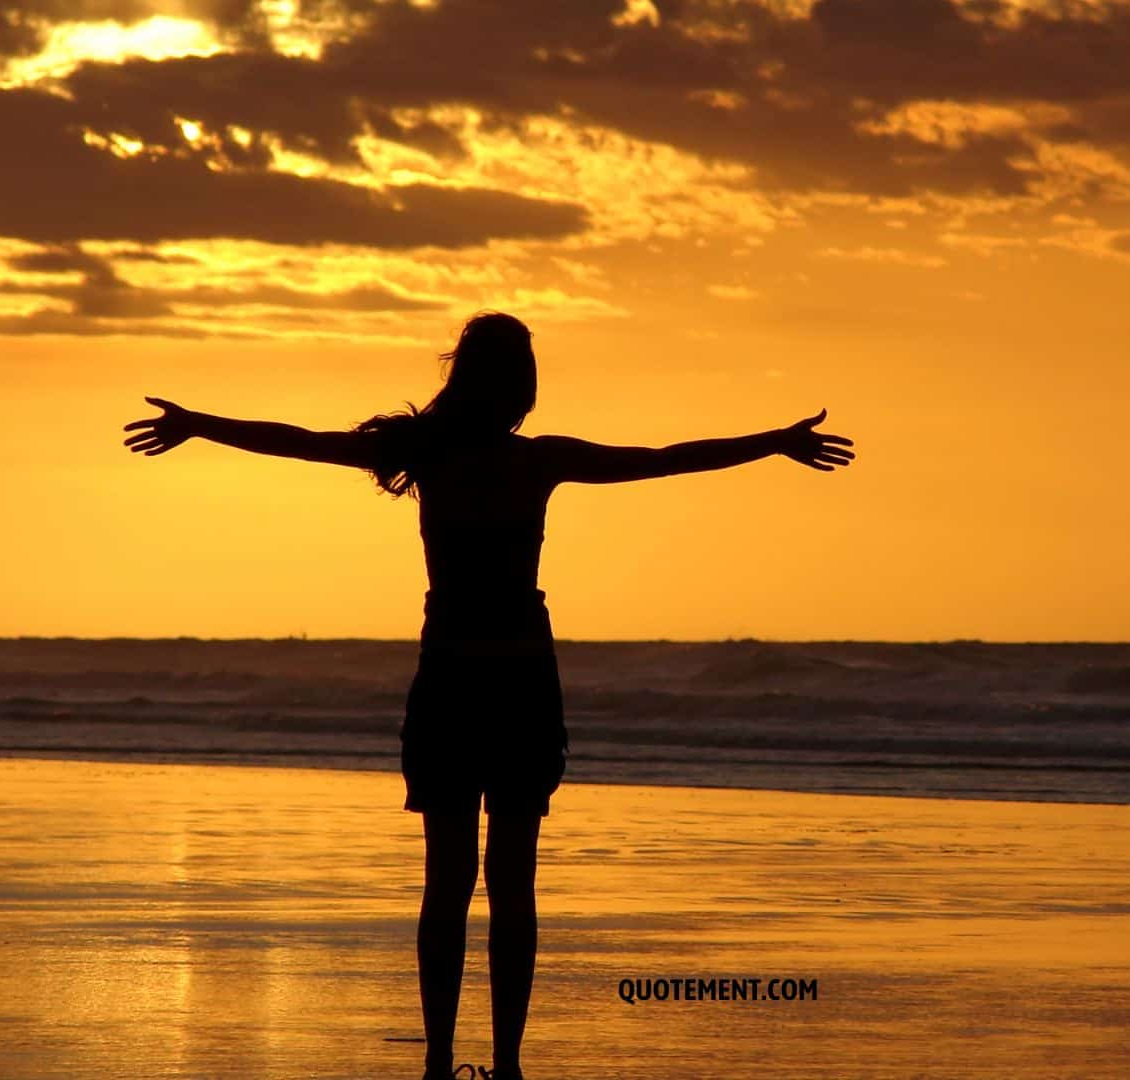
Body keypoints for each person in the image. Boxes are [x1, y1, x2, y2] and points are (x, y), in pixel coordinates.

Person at [122, 311, 855, 1080]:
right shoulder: (535, 461)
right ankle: (504, 1067)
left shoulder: (422, 453)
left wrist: (201, 424)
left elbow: (297, 439)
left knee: (449, 880)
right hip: (518, 678)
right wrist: (772, 442)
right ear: (521, 387)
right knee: (511, 881)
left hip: (450, 673)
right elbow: (664, 460)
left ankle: (442, 1064)